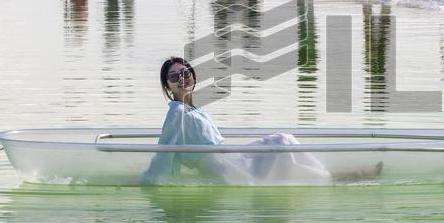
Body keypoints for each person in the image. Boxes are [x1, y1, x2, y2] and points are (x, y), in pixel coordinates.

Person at [143, 57, 382, 185]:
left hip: (229, 157)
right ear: (168, 85)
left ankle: (331, 176)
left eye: (186, 73)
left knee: (281, 139)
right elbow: (166, 148)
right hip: (223, 168)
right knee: (279, 143)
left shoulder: (193, 109)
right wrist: (150, 178)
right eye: (174, 77)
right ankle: (339, 177)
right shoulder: (177, 113)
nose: (182, 79)